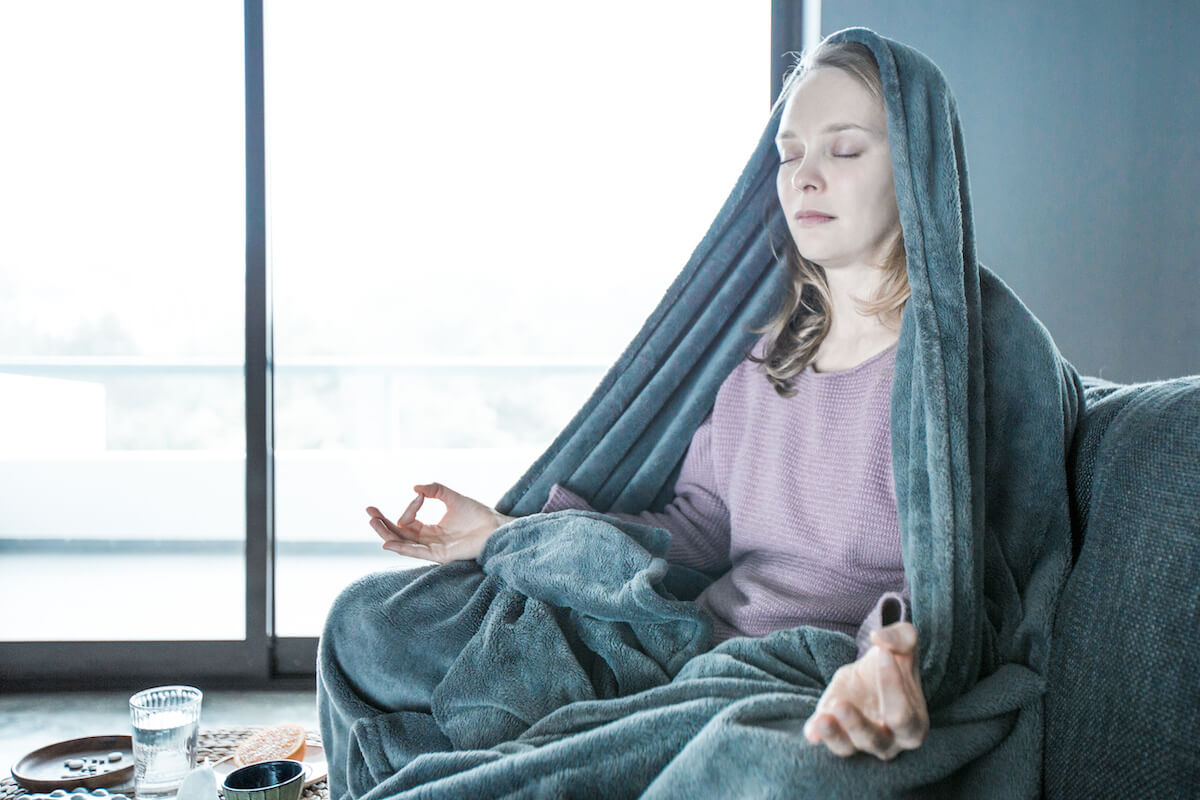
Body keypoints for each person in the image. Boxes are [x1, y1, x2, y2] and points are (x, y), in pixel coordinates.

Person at [362, 37, 927, 764]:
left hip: (812, 677)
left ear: (915, 167)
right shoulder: (766, 359)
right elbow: (699, 527)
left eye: (844, 150)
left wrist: (886, 656)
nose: (805, 178)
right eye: (788, 155)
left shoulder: (944, 370)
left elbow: (956, 569)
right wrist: (506, 532)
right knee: (370, 622)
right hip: (692, 642)